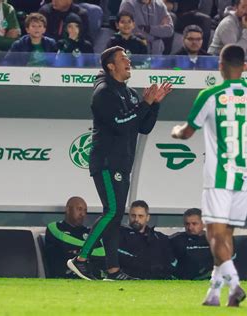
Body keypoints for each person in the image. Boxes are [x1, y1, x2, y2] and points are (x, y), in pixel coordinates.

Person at [171, 44, 247, 307]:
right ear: (244, 67)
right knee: (226, 237)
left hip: (219, 177)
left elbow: (188, 132)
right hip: (245, 178)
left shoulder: (211, 95)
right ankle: (213, 293)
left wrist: (176, 131)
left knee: (214, 236)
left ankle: (235, 285)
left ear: (220, 67)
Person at [67, 46, 173, 281]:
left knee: (115, 218)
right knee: (112, 211)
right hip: (106, 162)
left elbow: (142, 127)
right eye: (123, 59)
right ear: (110, 66)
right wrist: (144, 105)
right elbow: (120, 123)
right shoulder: (104, 92)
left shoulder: (131, 93)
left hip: (122, 163)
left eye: (128, 58)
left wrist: (154, 104)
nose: (129, 62)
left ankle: (113, 270)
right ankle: (80, 259)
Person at [44, 196, 105, 278]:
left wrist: (77, 251)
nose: (83, 214)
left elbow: (102, 251)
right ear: (68, 209)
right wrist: (88, 250)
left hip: (90, 274)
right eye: (79, 209)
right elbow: (65, 243)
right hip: (63, 274)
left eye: (85, 211)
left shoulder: (89, 231)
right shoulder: (55, 227)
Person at [118, 200, 176, 280]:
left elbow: (172, 261)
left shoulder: (159, 238)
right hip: (129, 280)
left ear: (147, 217)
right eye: (133, 215)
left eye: (140, 216)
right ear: (129, 216)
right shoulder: (120, 235)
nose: (136, 219)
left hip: (157, 282)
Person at [170, 208, 213, 280]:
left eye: (194, 224)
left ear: (204, 223)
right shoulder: (175, 240)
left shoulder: (214, 240)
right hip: (184, 282)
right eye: (187, 224)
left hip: (208, 280)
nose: (190, 227)